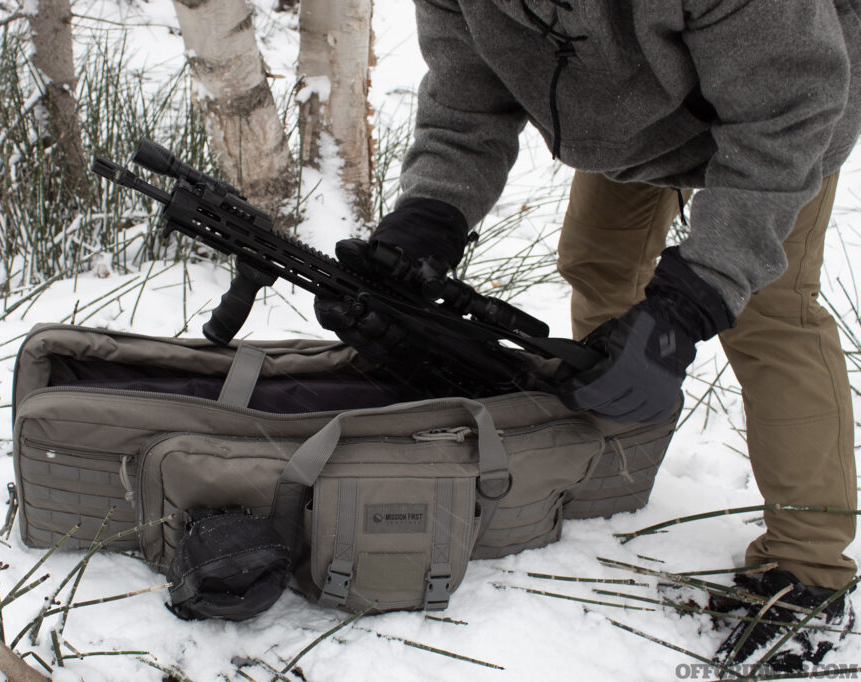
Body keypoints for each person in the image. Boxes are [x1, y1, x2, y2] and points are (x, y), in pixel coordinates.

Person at [315, 0, 860, 671]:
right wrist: (429, 217)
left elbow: (789, 111)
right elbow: (467, 99)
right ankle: (612, 462)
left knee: (770, 312)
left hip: (785, 115)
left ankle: (809, 572)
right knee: (598, 260)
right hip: (637, 114)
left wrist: (689, 305)